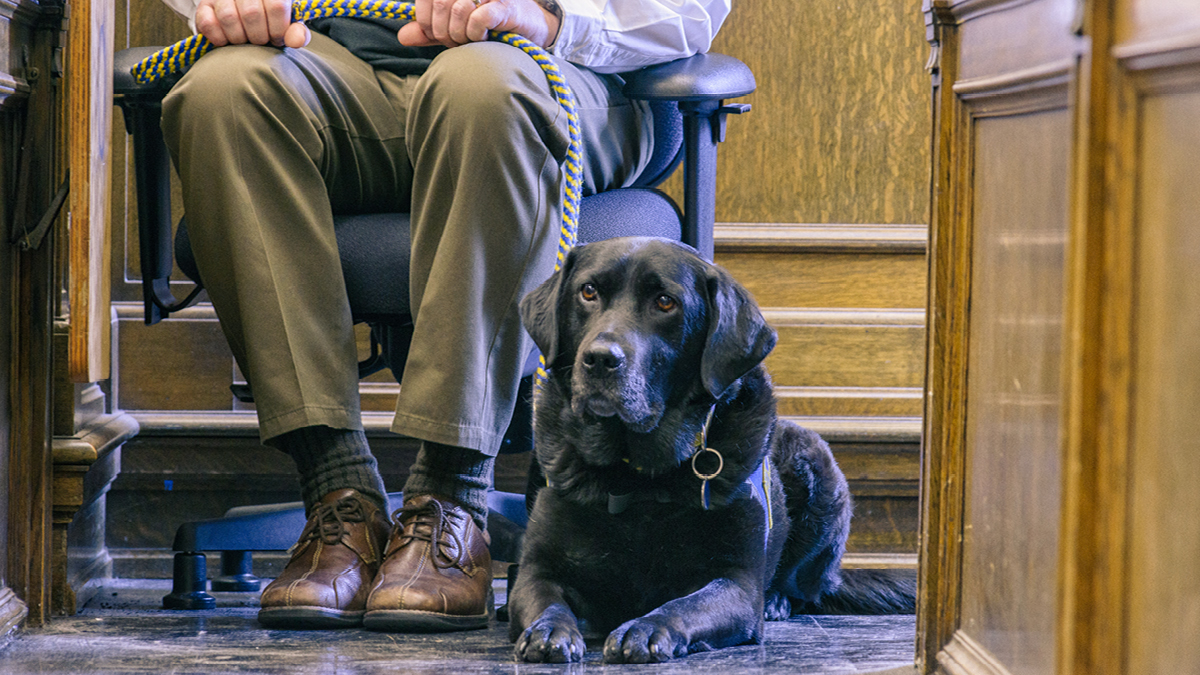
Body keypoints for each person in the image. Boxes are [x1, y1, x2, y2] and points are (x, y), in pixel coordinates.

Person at [155, 0, 731, 632]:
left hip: (552, 74)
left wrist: (555, 19)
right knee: (221, 91)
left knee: (481, 86)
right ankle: (336, 493)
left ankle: (452, 498)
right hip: (330, 63)